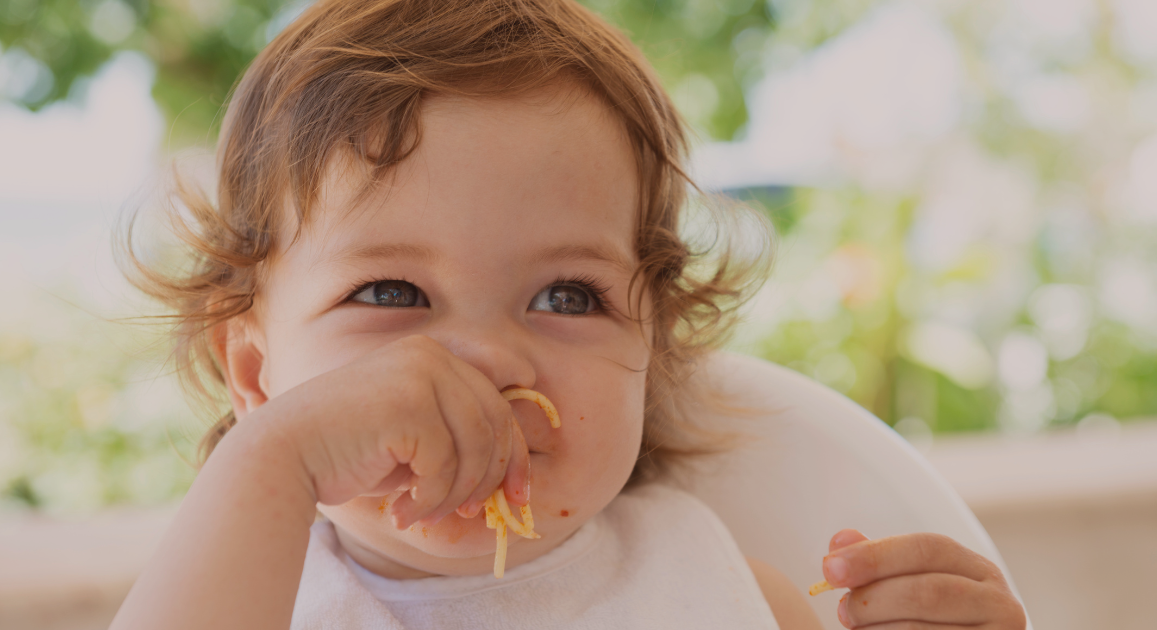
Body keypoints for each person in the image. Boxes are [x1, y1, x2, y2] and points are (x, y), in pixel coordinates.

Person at [110, 1, 1027, 628]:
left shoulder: (726, 596)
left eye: (566, 297)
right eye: (390, 295)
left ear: (648, 349)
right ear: (258, 377)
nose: (481, 359)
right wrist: (272, 462)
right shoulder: (246, 591)